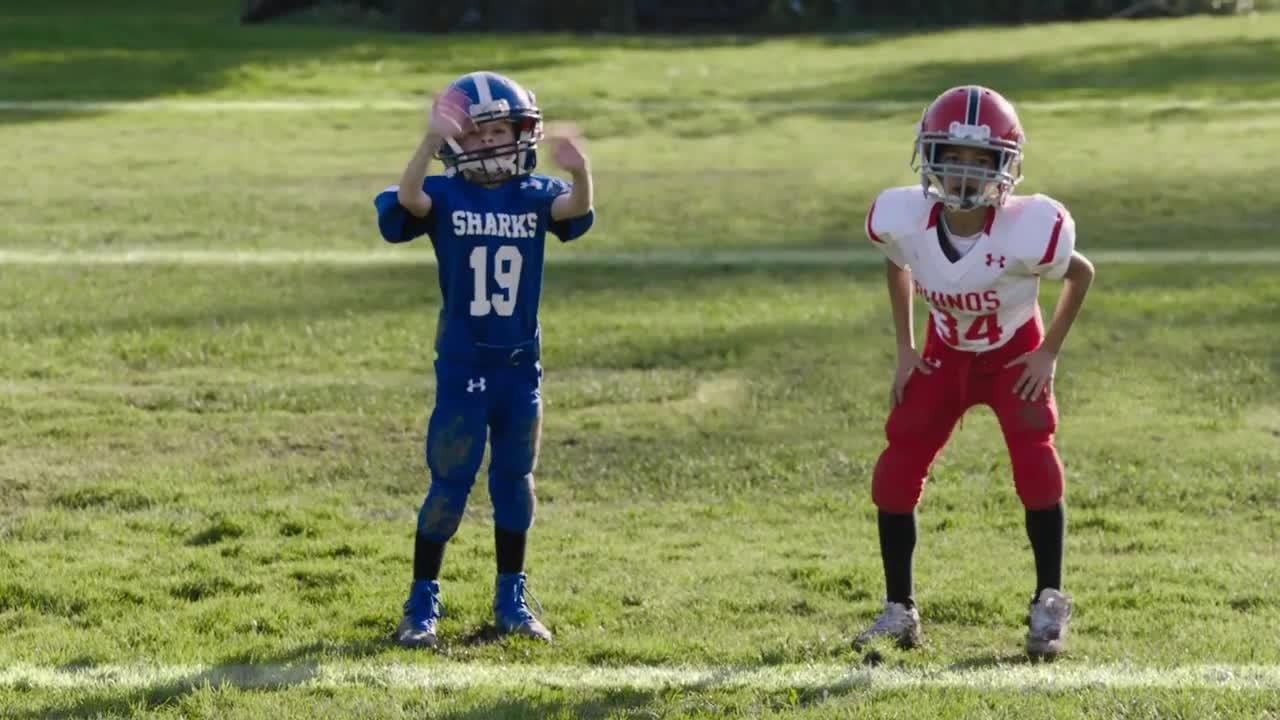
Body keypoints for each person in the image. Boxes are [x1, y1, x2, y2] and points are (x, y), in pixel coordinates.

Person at [858, 85, 1095, 658]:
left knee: (1036, 462)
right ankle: (899, 610)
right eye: (952, 157)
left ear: (1004, 167)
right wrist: (904, 347)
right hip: (945, 353)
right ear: (928, 155)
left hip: (1014, 353)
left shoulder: (1027, 226)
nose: (963, 174)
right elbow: (896, 265)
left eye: (980, 161)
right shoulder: (906, 218)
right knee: (896, 466)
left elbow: (1080, 274)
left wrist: (1048, 353)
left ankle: (1048, 602)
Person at [374, 71, 595, 648]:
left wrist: (580, 169)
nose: (489, 144)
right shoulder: (447, 193)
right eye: (475, 135)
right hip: (464, 363)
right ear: (456, 143)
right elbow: (408, 200)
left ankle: (511, 598)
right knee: (449, 483)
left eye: (498, 132)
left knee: (515, 482)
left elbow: (576, 209)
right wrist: (426, 141)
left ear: (522, 133)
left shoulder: (535, 194)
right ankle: (422, 600)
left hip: (521, 366)